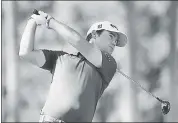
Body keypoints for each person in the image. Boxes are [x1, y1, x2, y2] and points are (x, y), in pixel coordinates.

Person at [19, 11, 127, 122]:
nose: (114, 42)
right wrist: (32, 21)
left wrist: (50, 21)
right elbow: (25, 53)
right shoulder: (61, 57)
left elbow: (77, 41)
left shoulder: (110, 64)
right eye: (111, 36)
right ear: (94, 34)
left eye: (116, 40)